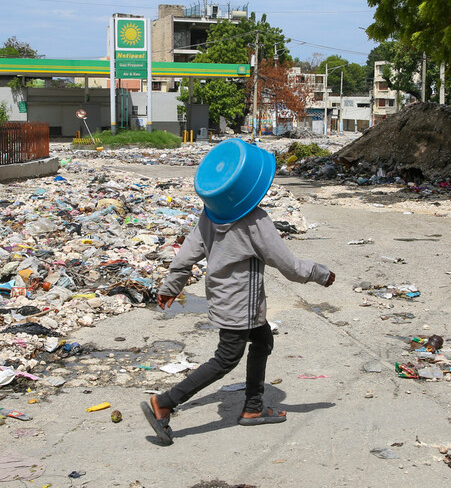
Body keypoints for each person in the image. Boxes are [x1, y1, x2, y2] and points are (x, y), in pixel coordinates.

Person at [141, 139, 335, 446]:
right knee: (226, 359)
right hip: (240, 306)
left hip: (222, 299)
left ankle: (253, 408)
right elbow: (289, 266)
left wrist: (170, 288)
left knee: (263, 339)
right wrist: (322, 274)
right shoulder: (255, 220)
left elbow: (185, 256)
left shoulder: (210, 214)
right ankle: (165, 403)